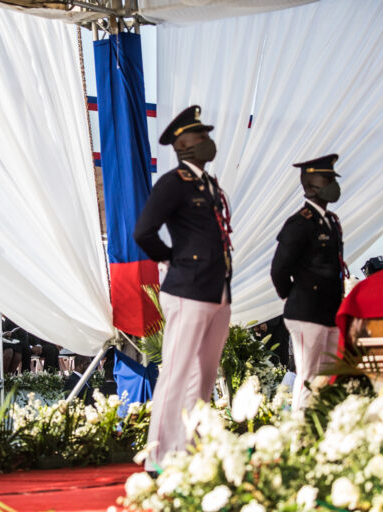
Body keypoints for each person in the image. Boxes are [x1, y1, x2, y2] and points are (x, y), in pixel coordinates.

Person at [133, 105, 233, 473]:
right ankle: (158, 458)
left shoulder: (208, 185)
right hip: (187, 290)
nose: (209, 142)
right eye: (202, 136)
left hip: (216, 291)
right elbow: (144, 231)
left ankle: (189, 451)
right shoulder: (173, 182)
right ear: (184, 143)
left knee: (204, 377)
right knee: (176, 374)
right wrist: (173, 260)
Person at [270, 154, 346, 410]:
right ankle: (301, 435)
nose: (333, 186)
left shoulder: (331, 222)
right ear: (312, 186)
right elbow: (279, 269)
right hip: (306, 312)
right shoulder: (299, 223)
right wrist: (295, 297)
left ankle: (320, 428)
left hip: (328, 313)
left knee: (327, 378)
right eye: (328, 180)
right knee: (309, 378)